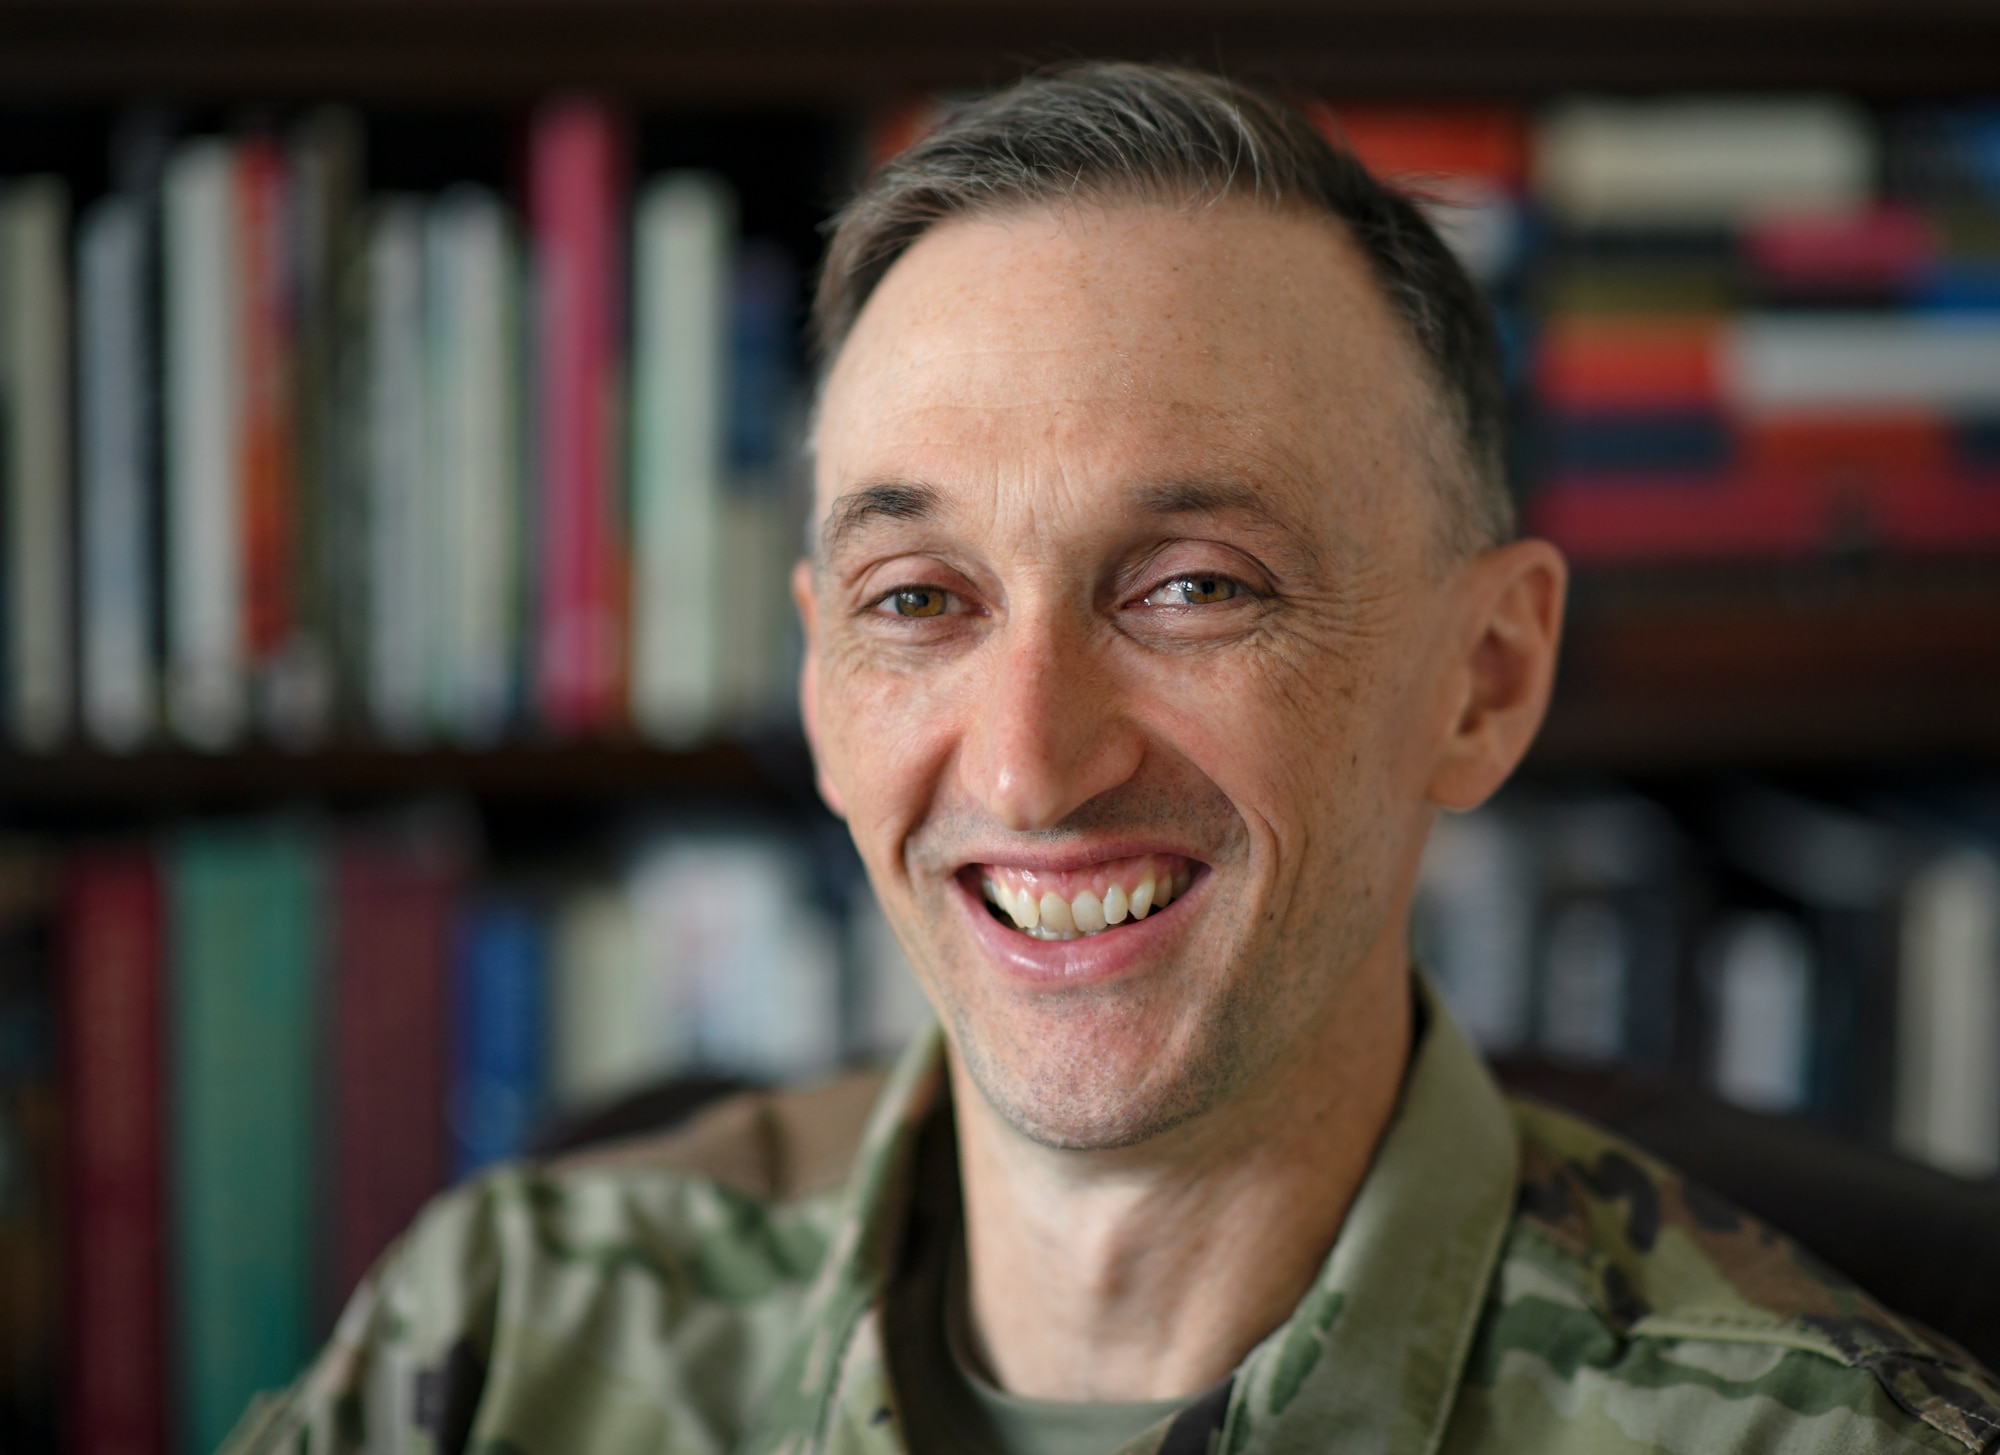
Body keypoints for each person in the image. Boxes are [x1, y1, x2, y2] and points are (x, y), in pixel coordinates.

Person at [224, 63, 2000, 1455]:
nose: (1026, 765)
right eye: (917, 600)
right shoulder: (506, 1341)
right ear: (821, 684)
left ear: (1484, 678)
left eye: (1193, 588)